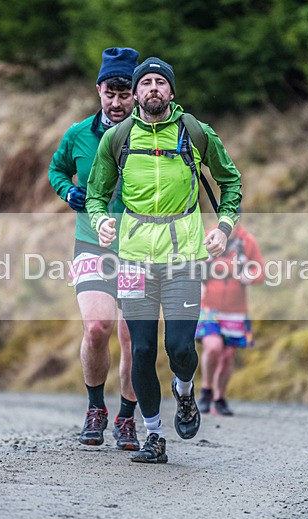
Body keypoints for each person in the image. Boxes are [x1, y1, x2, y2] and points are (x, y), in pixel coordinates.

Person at [86, 57, 242, 464]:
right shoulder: (117, 138)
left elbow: (231, 182)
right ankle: (154, 435)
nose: (153, 88)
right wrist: (102, 221)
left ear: (171, 92)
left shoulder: (194, 132)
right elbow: (96, 194)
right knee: (140, 350)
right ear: (136, 93)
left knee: (178, 347)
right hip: (135, 257)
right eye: (146, 82)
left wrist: (223, 229)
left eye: (161, 82)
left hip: (183, 256)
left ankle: (185, 390)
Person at [48, 47, 141, 451]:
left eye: (125, 93)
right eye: (110, 93)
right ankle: (94, 408)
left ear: (137, 93)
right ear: (99, 90)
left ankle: (126, 417)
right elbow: (56, 169)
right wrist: (68, 189)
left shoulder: (151, 136)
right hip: (92, 241)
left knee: (132, 335)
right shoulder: (78, 134)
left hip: (140, 246)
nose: (117, 103)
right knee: (98, 327)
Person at [195, 220, 265, 416]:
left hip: (235, 310)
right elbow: (193, 263)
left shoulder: (247, 242)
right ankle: (206, 390)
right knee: (213, 347)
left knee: (227, 356)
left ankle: (220, 398)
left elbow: (260, 270)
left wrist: (250, 276)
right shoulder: (209, 236)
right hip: (209, 307)